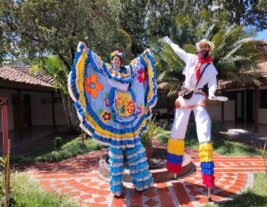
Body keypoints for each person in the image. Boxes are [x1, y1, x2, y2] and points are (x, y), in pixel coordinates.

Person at [68, 42, 157, 196]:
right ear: (111, 60)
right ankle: (117, 188)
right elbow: (95, 64)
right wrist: (86, 52)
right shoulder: (106, 70)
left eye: (118, 59)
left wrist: (144, 57)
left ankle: (141, 182)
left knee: (134, 147)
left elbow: (138, 67)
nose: (116, 61)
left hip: (129, 112)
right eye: (114, 59)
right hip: (115, 114)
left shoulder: (128, 71)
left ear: (120, 61)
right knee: (116, 152)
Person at [162, 36, 218, 188]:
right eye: (202, 46)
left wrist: (212, 93)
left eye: (207, 47)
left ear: (209, 50)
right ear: (199, 48)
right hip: (186, 96)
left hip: (199, 95)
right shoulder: (191, 58)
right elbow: (178, 51)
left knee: (204, 127)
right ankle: (174, 168)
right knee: (177, 130)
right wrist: (170, 42)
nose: (204, 49)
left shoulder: (211, 68)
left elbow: (213, 83)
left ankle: (207, 176)